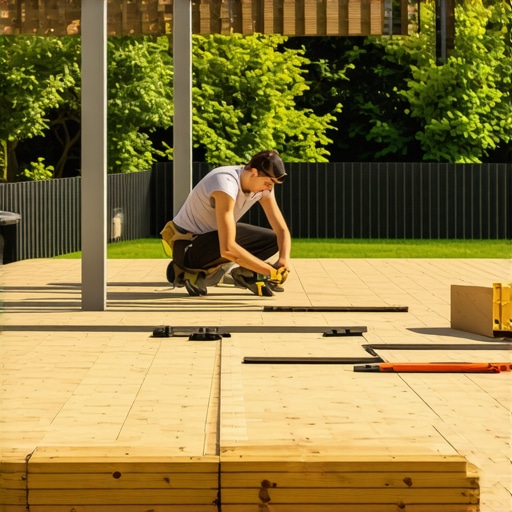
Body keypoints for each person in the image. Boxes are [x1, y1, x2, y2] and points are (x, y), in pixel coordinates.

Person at [160, 150, 291, 297]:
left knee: (272, 240)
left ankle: (244, 273)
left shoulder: (264, 188)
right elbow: (227, 248)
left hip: (212, 239)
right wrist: (268, 271)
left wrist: (283, 259)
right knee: (228, 243)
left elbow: (281, 230)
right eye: (268, 183)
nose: (269, 188)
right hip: (188, 244)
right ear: (254, 172)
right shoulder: (224, 183)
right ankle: (184, 269)